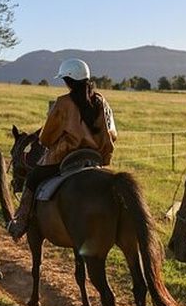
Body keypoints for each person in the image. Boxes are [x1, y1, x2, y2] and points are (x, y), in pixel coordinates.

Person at [7, 57, 117, 238]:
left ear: (68, 80)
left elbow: (46, 138)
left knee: (34, 177)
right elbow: (113, 134)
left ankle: (21, 221)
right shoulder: (101, 101)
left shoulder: (63, 102)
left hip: (66, 158)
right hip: (94, 157)